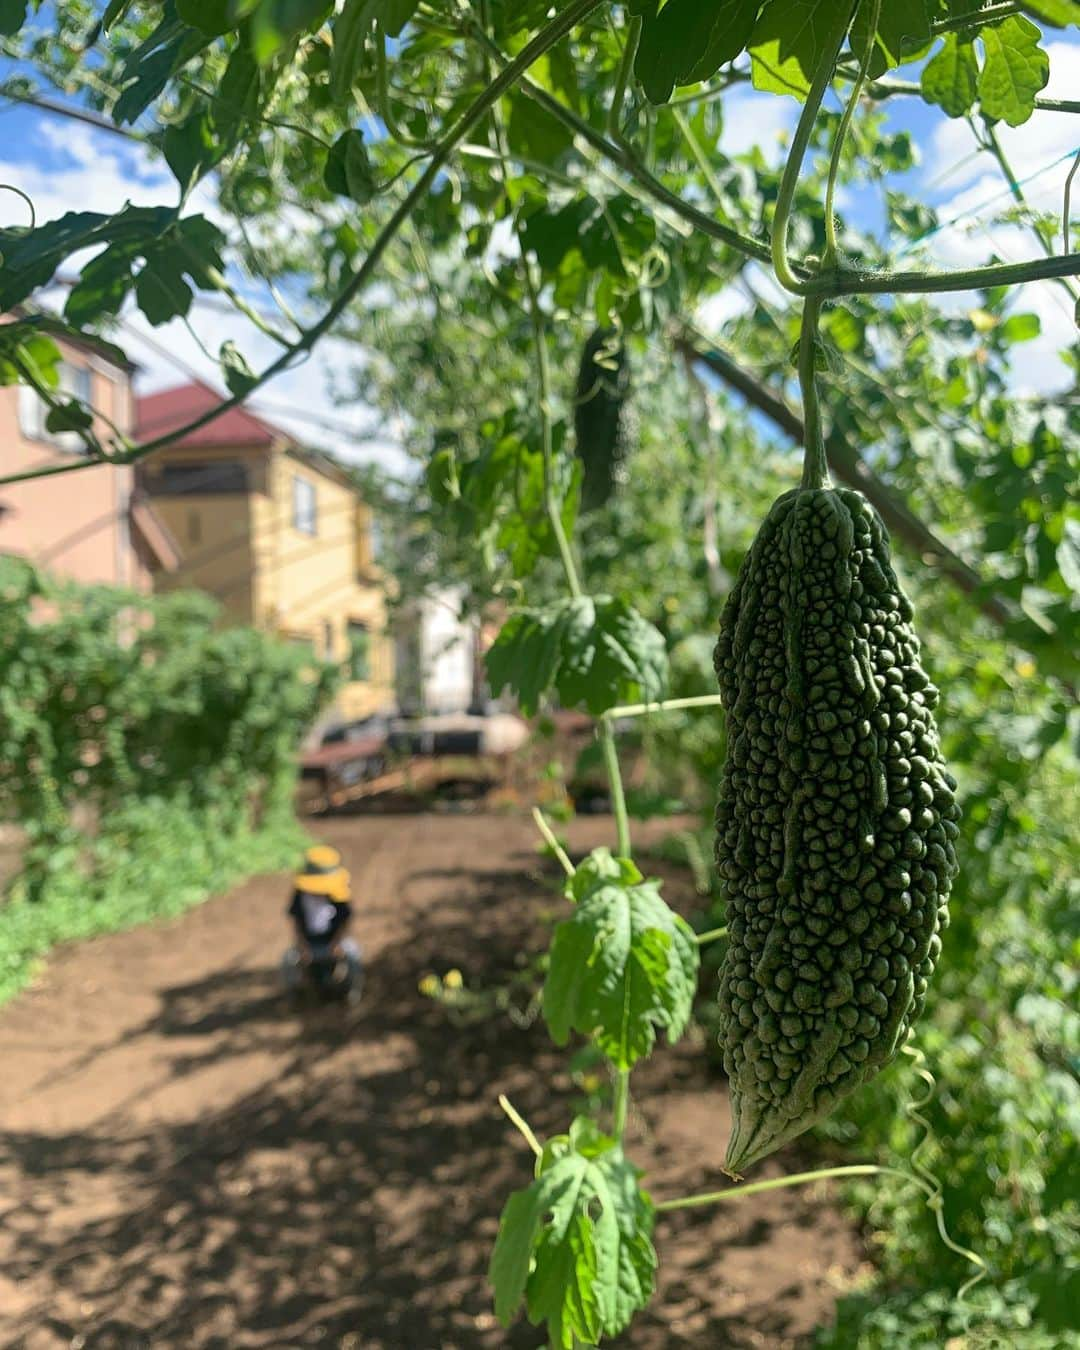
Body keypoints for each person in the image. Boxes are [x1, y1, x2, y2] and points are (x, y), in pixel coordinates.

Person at [282, 845, 362, 998]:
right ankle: (294, 995)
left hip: (334, 942)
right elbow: (296, 920)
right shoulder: (300, 894)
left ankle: (351, 991)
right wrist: (302, 944)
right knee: (288, 960)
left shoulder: (339, 894)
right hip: (308, 943)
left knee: (353, 954)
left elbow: (346, 919)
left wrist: (337, 943)